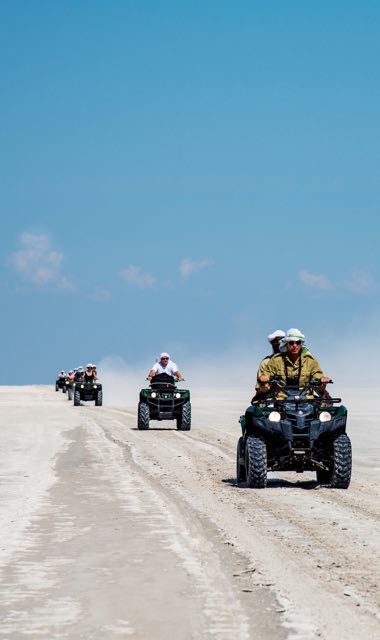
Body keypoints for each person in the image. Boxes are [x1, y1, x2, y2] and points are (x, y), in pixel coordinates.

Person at [258, 328, 330, 399]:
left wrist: (322, 380)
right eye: (291, 343)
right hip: (281, 402)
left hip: (306, 402)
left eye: (298, 342)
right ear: (286, 344)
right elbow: (264, 384)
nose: (295, 345)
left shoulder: (310, 361)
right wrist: (263, 381)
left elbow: (318, 378)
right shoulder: (275, 360)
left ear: (301, 344)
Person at [251, 330, 285, 403]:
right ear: (272, 344)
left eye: (282, 341)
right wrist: (264, 384)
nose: (279, 344)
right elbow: (259, 388)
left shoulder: (298, 360)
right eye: (276, 341)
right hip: (273, 400)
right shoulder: (266, 362)